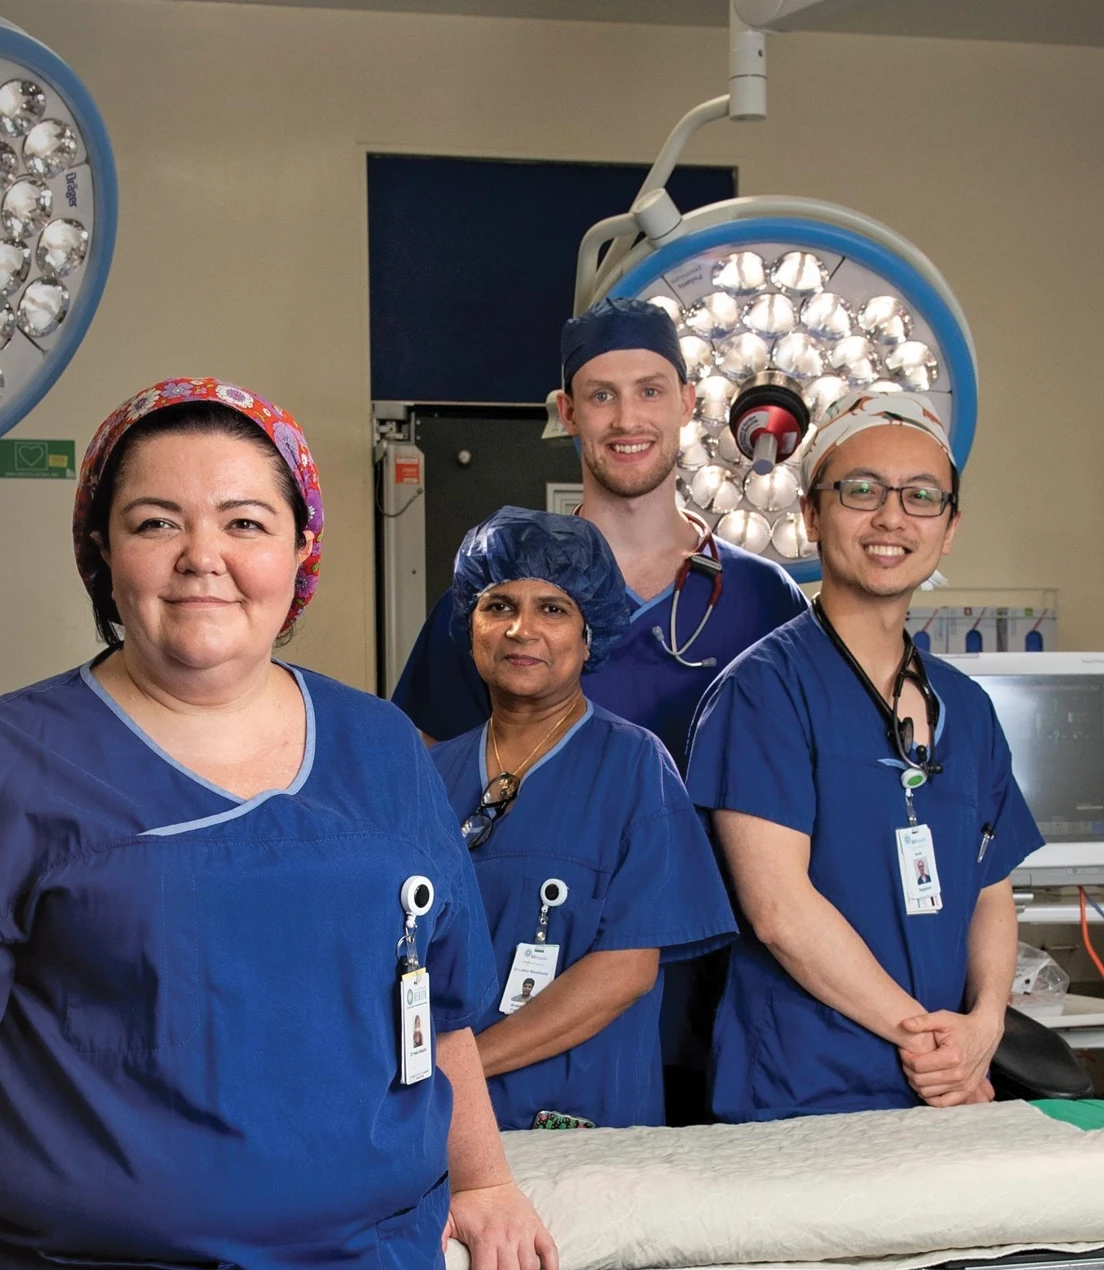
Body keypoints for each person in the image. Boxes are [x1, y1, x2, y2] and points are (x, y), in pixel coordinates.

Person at [0, 378, 557, 1270]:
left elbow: (436, 1010)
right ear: (101, 553)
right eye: (154, 521)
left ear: (297, 555)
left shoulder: (381, 752)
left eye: (244, 522)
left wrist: (485, 1179)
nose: (200, 555)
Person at [394, 299, 809, 1126]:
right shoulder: (493, 601)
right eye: (601, 395)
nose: (628, 418)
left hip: (726, 998)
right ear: (565, 414)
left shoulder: (765, 601)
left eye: (651, 391)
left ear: (689, 403)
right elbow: (421, 811)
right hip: (521, 1001)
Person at [685, 391, 1044, 1123]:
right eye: (861, 490)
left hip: (941, 1089)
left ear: (948, 529)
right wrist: (936, 1046)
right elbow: (780, 910)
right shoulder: (763, 692)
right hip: (804, 1089)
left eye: (921, 497)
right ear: (813, 514)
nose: (891, 517)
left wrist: (985, 1028)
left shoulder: (967, 711)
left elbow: (990, 891)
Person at [429, 509, 735, 1130]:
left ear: (590, 633)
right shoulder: (428, 775)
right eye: (497, 605)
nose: (521, 629)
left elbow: (625, 971)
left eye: (552, 609)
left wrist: (459, 1066)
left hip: (578, 1117)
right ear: (470, 626)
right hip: (445, 1119)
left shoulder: (633, 768)